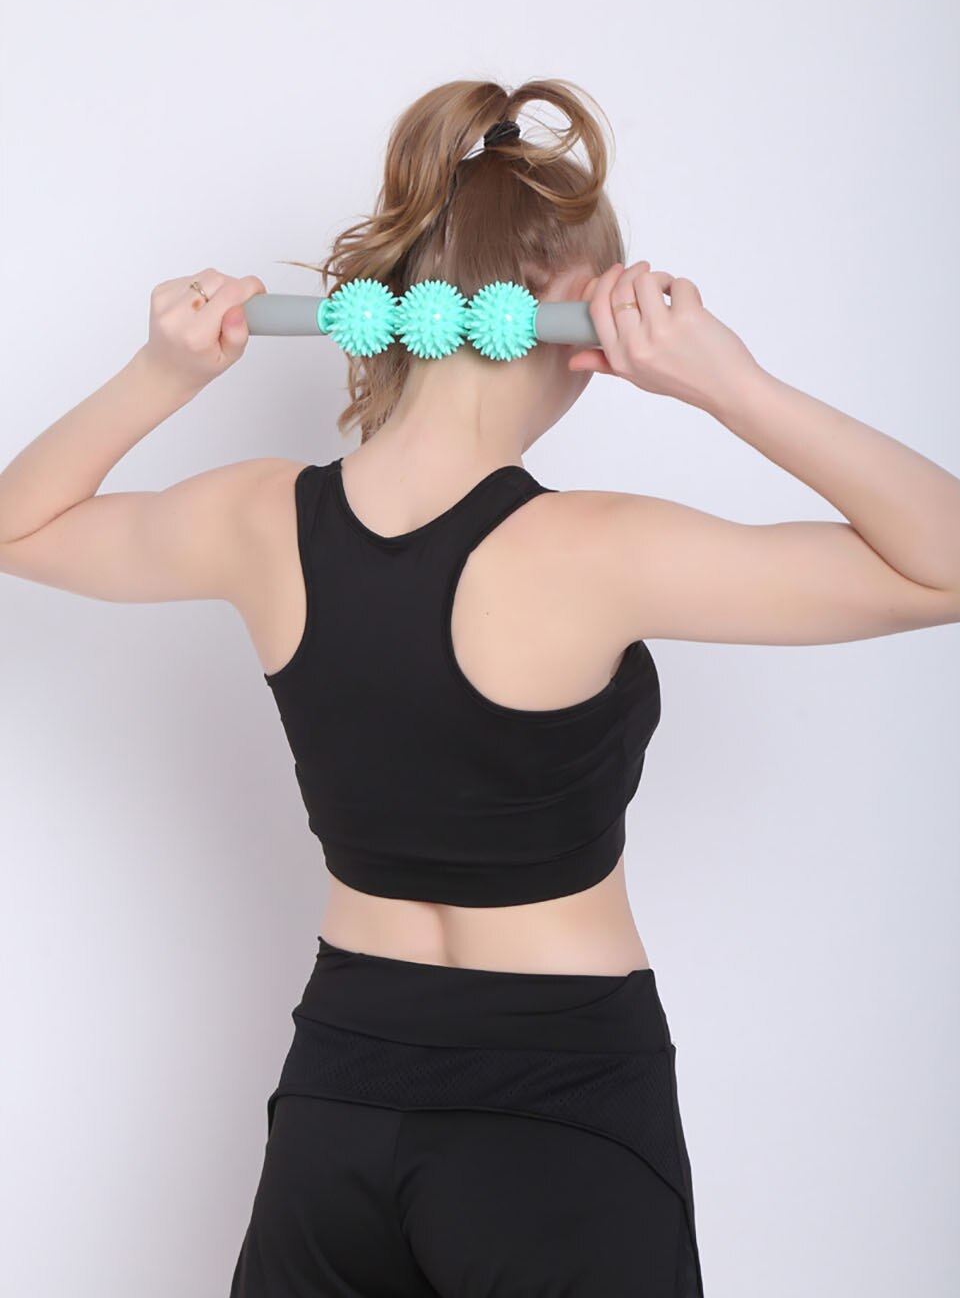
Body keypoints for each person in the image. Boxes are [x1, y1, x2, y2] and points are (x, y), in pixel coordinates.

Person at [2, 77, 959, 1298]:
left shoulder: (258, 518)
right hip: (556, 1118)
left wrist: (162, 371)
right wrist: (730, 382)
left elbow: (20, 525)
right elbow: (942, 563)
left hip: (338, 1106)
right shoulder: (597, 551)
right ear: (570, 314)